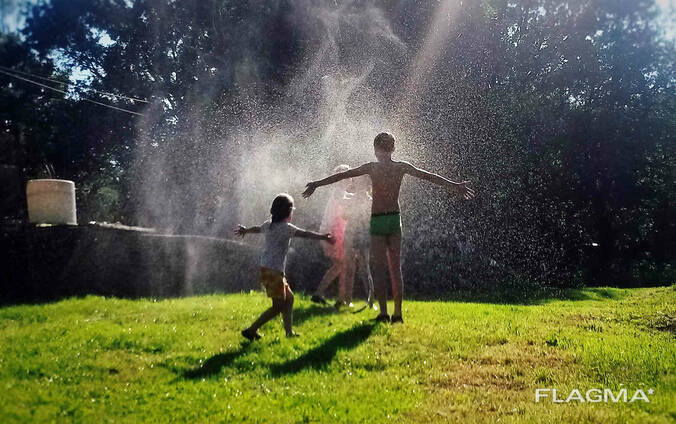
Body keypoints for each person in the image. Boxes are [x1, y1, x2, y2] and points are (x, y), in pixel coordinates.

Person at [303, 132, 475, 323]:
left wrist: (316, 184)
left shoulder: (372, 168)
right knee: (395, 269)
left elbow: (343, 175)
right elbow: (429, 176)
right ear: (393, 149)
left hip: (377, 220)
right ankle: (398, 314)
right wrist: (454, 185)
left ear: (375, 150)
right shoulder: (401, 167)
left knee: (379, 268)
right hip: (394, 219)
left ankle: (384, 313)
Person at [236, 193, 333, 340]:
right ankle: (251, 330)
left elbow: (257, 229)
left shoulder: (268, 225)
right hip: (273, 271)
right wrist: (323, 237)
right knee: (278, 306)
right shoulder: (286, 228)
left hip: (268, 269)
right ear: (288, 212)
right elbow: (305, 234)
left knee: (289, 299)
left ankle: (289, 333)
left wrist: (246, 230)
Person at [310, 164, 354, 308]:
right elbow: (345, 200)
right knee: (343, 264)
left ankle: (335, 297)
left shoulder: (340, 191)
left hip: (333, 232)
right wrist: (361, 197)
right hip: (332, 233)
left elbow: (347, 198)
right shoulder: (338, 191)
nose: (350, 179)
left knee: (341, 265)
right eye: (347, 176)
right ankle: (334, 297)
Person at [342, 176, 375, 309]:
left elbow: (371, 218)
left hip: (364, 235)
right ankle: (347, 300)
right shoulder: (351, 199)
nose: (360, 187)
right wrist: (350, 208)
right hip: (351, 234)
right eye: (358, 184)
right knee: (350, 268)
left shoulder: (370, 201)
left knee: (364, 268)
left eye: (363, 185)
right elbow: (344, 215)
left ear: (367, 187)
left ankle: (371, 300)